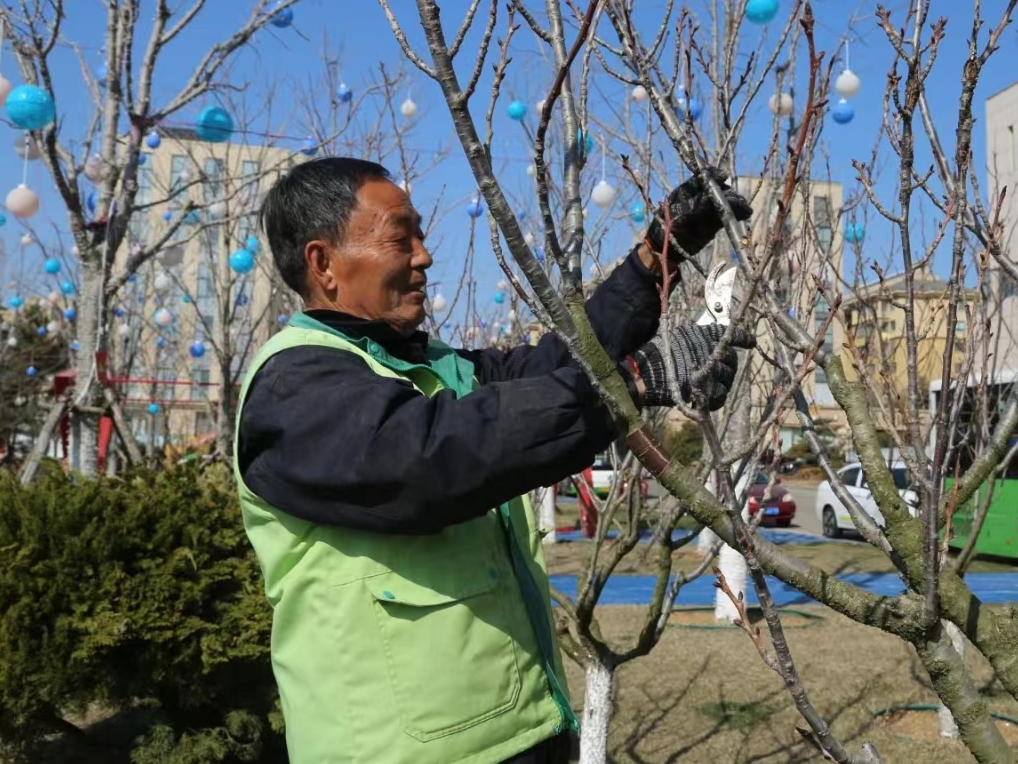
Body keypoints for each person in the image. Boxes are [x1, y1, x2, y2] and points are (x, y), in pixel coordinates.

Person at [236, 157, 753, 764]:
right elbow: (433, 458)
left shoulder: (430, 368)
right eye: (401, 237)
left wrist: (654, 260)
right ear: (323, 263)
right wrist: (635, 384)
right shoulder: (294, 384)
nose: (425, 256)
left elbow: (555, 371)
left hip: (519, 733)